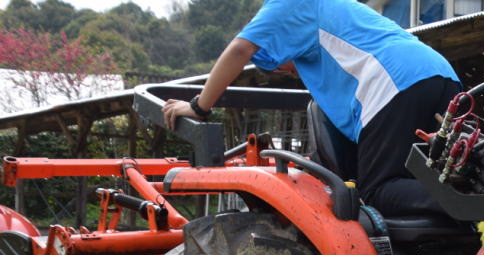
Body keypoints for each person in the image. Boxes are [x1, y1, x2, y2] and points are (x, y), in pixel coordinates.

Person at [162, 0, 461, 217]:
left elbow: (240, 50)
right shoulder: (341, 12)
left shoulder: (289, 4)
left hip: (394, 81)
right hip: (443, 75)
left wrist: (199, 107)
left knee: (378, 191)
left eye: (280, 67)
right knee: (435, 172)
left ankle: (476, 193)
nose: (290, 72)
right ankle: (474, 206)